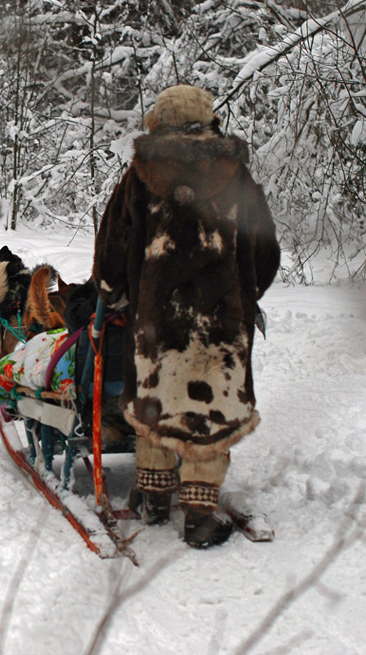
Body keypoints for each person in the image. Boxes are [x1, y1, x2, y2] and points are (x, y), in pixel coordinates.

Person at [92, 84, 280, 548]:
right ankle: (198, 514)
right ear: (208, 120)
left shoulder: (140, 175)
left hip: (157, 319)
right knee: (209, 413)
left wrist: (112, 289)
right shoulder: (236, 175)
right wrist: (247, 293)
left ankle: (154, 498)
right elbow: (265, 248)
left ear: (160, 122)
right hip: (222, 322)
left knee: (158, 401)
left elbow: (113, 241)